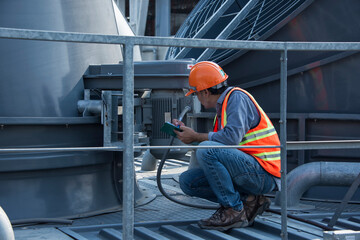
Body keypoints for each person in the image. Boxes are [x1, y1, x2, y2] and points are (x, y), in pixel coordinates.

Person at [172, 61, 281, 231]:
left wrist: (197, 137)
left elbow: (230, 139)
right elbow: (219, 145)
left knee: (207, 149)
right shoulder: (223, 108)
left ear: (205, 92)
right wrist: (190, 136)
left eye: (196, 94)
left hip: (263, 174)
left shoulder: (236, 98)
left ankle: (234, 210)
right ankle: (250, 199)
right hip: (249, 171)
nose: (197, 98)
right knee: (188, 182)